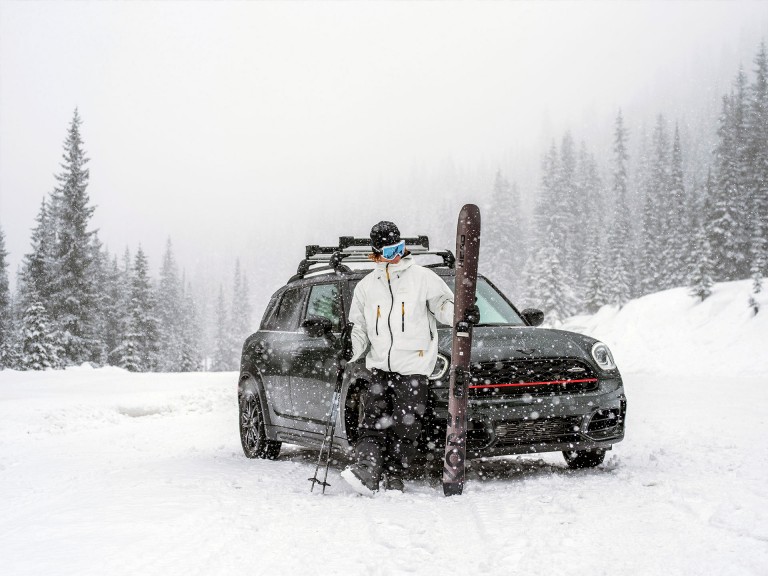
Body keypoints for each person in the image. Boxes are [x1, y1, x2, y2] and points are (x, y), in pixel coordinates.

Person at [340, 221, 477, 495]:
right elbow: (361, 330)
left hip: (414, 369)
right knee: (372, 424)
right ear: (376, 253)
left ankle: (394, 476)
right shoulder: (366, 287)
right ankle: (367, 470)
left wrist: (462, 314)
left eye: (399, 248)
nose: (396, 256)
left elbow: (444, 305)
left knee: (406, 428)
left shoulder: (423, 278)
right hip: (380, 368)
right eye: (389, 251)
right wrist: (349, 348)